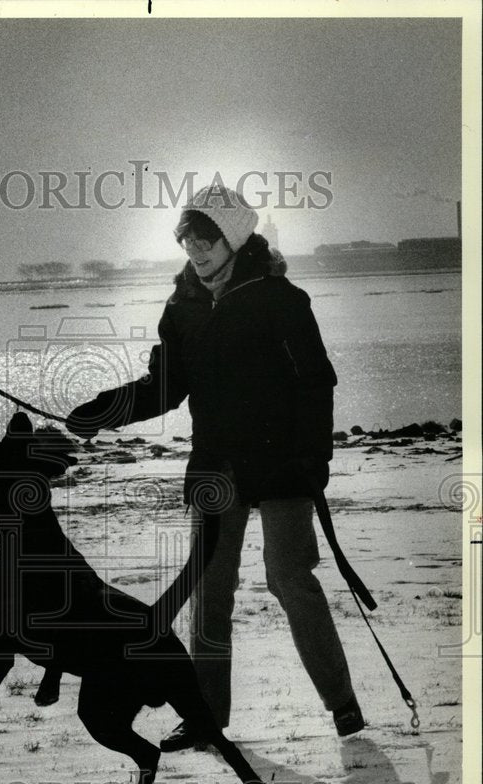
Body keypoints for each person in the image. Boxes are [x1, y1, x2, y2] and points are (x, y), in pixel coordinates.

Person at [66, 182, 364, 747]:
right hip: (216, 469)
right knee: (211, 590)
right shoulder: (181, 307)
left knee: (290, 579)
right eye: (186, 239)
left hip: (282, 469)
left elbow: (315, 384)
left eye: (205, 238)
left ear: (234, 237)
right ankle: (208, 717)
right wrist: (102, 411)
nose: (195, 249)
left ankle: (341, 703)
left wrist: (314, 461)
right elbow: (165, 387)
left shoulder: (282, 299)